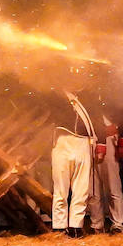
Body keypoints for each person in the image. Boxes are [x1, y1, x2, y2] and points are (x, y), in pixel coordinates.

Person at [51, 92, 97, 237]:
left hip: (83, 142)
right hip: (62, 141)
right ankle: (59, 226)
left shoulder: (89, 97)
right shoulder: (54, 94)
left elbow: (97, 118)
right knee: (61, 188)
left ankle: (76, 226)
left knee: (81, 188)